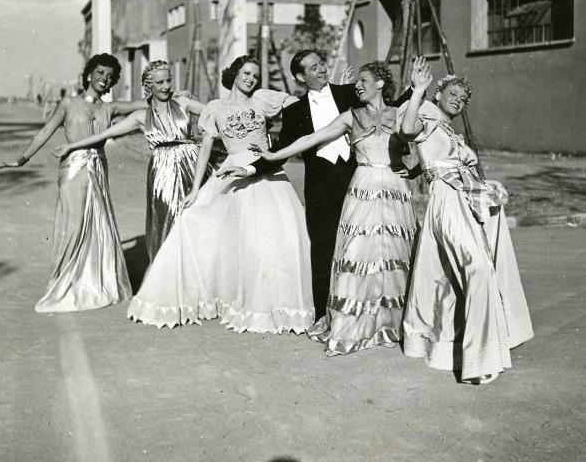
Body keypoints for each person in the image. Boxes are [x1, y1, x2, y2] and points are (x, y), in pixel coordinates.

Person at [127, 55, 314, 333]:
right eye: (247, 73)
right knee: (220, 233)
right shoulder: (215, 108)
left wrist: (279, 147)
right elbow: (205, 149)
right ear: (235, 75)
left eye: (255, 75)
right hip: (231, 173)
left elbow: (304, 106)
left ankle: (271, 307)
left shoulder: (263, 99)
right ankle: (226, 298)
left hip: (265, 171)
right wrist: (193, 191)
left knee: (272, 237)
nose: (251, 79)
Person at [221, 50, 413, 321]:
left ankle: (368, 311)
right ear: (301, 76)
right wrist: (250, 168)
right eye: (313, 68)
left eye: (321, 64)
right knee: (323, 250)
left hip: (357, 180)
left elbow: (389, 111)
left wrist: (417, 90)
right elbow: (283, 149)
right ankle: (325, 313)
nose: (321, 70)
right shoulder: (295, 110)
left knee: (365, 247)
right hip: (320, 188)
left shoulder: (349, 92)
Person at [398, 63, 534, 384]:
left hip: (467, 200)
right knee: (478, 268)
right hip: (447, 201)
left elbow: (430, 156)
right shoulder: (427, 115)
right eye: (453, 93)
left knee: (467, 272)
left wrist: (417, 169)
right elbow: (407, 131)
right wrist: (417, 89)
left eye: (464, 97)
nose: (459, 99)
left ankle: (468, 346)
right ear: (439, 94)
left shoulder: (449, 131)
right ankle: (478, 359)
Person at [0, 53, 146, 312]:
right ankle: (67, 280)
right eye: (100, 73)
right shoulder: (68, 103)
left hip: (98, 168)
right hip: (73, 168)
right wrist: (21, 159)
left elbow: (141, 103)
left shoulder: (109, 108)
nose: (104, 79)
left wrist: (176, 97)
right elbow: (45, 131)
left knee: (98, 223)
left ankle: (94, 281)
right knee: (74, 223)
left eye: (110, 76)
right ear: (89, 75)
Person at [52, 60, 208, 262]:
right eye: (159, 82)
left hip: (192, 165)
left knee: (198, 218)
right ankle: (167, 275)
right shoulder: (140, 116)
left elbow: (217, 113)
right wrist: (71, 146)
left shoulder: (183, 103)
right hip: (163, 172)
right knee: (169, 221)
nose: (166, 86)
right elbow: (104, 135)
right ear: (148, 86)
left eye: (169, 81)